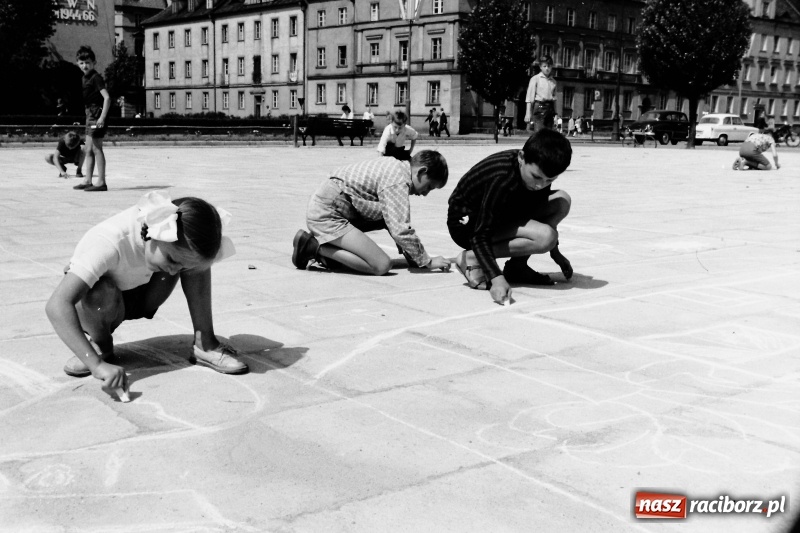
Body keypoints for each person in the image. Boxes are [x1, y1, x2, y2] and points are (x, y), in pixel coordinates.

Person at [45, 191, 248, 394]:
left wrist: (182, 264)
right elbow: (57, 305)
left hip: (145, 295)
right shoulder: (109, 242)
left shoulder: (170, 235)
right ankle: (101, 345)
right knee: (97, 292)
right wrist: (95, 364)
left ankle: (205, 343)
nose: (175, 271)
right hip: (105, 306)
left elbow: (183, 255)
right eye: (171, 260)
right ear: (155, 233)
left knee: (194, 255)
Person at [447, 129, 574, 304]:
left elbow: (536, 206)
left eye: (548, 180)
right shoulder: (502, 179)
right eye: (536, 177)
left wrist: (556, 252)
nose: (540, 185)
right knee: (545, 237)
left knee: (562, 201)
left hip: (504, 211)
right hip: (468, 228)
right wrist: (496, 278)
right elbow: (479, 234)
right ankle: (471, 257)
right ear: (521, 157)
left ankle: (517, 268)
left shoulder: (536, 171)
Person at [291, 151, 453, 276]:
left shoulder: (396, 167)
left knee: (387, 216)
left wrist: (414, 258)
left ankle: (328, 251)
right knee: (381, 265)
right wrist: (427, 261)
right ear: (421, 172)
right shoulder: (398, 179)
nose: (425, 194)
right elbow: (400, 230)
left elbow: (391, 218)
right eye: (429, 186)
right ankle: (313, 247)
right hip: (327, 212)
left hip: (331, 205)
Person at [72, 46, 111, 192]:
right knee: (88, 149)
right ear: (77, 63)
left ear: (94, 62)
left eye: (87, 62)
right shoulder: (84, 78)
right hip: (90, 114)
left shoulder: (96, 78)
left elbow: (107, 98)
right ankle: (88, 180)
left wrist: (102, 117)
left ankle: (101, 182)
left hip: (97, 114)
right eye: (81, 63)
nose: (84, 65)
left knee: (96, 148)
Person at [524, 54, 557, 133]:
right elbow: (529, 97)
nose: (547, 68)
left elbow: (554, 99)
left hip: (550, 108)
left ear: (552, 67)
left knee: (549, 134)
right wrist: (528, 113)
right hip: (539, 106)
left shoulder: (553, 81)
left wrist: (556, 114)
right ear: (540, 67)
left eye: (549, 66)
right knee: (540, 133)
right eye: (544, 66)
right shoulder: (535, 79)